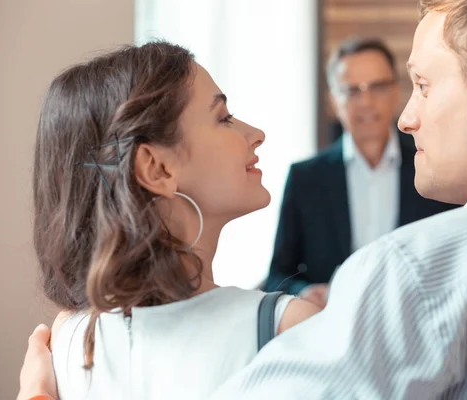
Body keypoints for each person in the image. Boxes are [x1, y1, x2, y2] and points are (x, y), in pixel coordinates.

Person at [18, 0, 467, 397]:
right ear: (155, 166)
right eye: (223, 117)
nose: (403, 116)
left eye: (419, 85)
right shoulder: (74, 338)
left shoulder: (417, 270)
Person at [26, 41, 319, 400]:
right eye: (223, 117)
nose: (256, 134)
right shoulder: (288, 331)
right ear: (157, 168)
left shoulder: (63, 346)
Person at [264, 37, 456, 306]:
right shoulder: (305, 178)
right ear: (333, 100)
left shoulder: (432, 166)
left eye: (377, 87)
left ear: (395, 91)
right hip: (335, 325)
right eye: (352, 91)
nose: (366, 102)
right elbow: (277, 276)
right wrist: (305, 293)